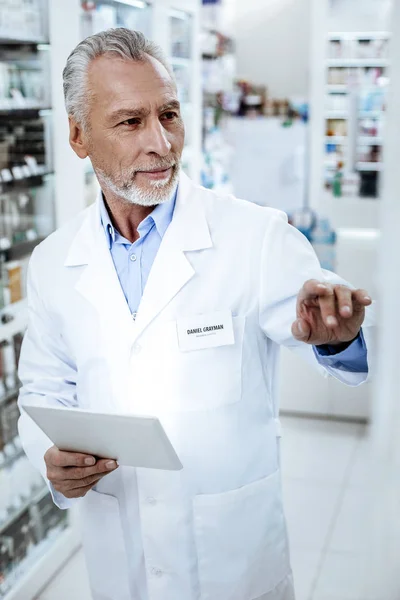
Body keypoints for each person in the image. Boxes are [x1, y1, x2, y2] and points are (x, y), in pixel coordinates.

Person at [17, 28, 374, 600]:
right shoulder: (55, 262)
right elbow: (42, 390)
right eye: (131, 122)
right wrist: (51, 459)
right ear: (79, 136)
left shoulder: (253, 235)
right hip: (122, 554)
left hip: (231, 557)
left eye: (170, 114)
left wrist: (338, 338)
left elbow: (327, 324)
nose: (161, 141)